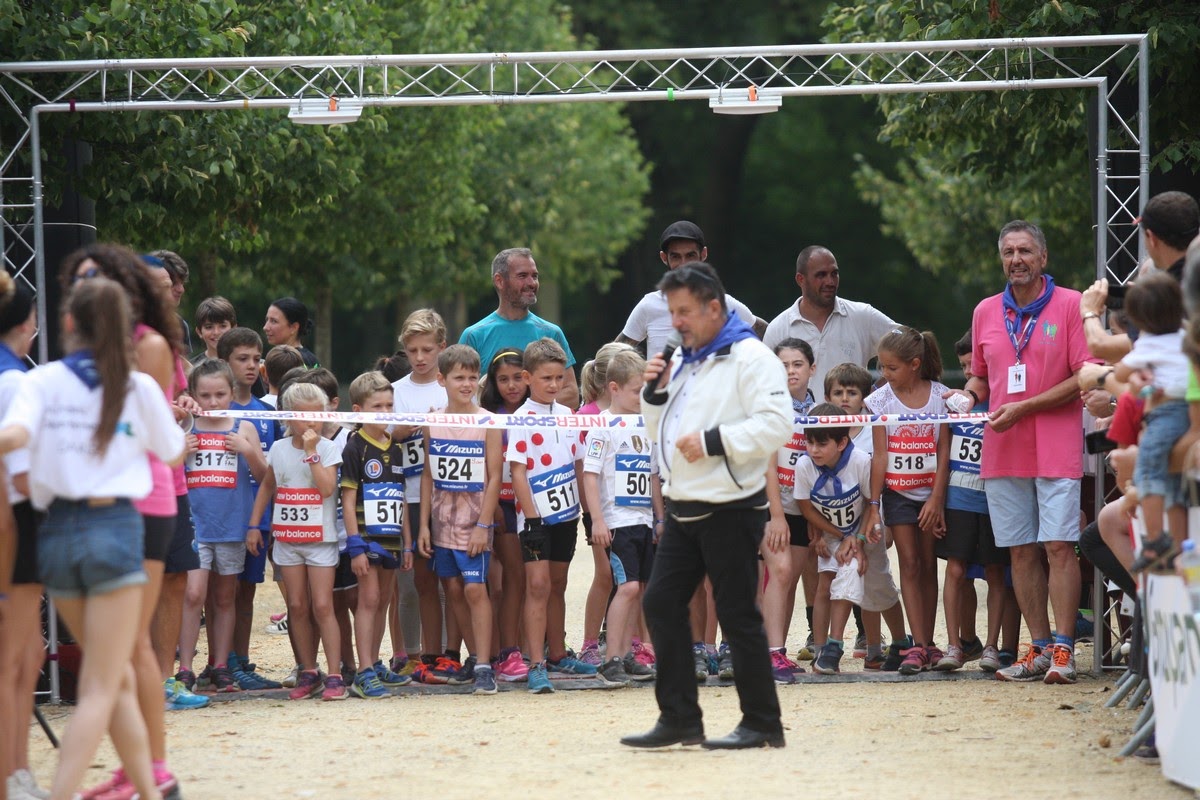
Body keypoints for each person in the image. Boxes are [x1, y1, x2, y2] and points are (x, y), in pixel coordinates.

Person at [0, 277, 185, 800]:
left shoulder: (41, 380)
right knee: (104, 683)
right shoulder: (137, 386)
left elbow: (16, 435)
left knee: (114, 678)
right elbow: (172, 452)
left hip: (56, 533)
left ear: (66, 323)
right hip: (114, 530)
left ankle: (151, 790)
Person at [622, 261, 791, 750]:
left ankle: (762, 723)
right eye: (671, 311)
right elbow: (659, 430)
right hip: (683, 504)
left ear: (714, 308)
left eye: (684, 311)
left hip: (731, 506)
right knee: (660, 602)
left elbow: (777, 424)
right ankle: (680, 719)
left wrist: (715, 441)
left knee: (736, 613)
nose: (674, 321)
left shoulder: (752, 357)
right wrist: (653, 394)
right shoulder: (684, 357)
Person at [61, 244, 204, 800]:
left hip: (143, 498)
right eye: (79, 277)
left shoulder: (147, 344)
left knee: (133, 648)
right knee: (123, 649)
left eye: (94, 276)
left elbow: (149, 428)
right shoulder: (99, 343)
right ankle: (140, 770)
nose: (85, 285)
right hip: (114, 499)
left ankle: (153, 768)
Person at [946, 220, 1093, 685]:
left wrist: (1025, 406)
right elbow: (981, 375)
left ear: (1043, 258)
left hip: (1055, 446)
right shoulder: (985, 310)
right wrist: (968, 396)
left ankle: (1065, 649)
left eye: (1025, 251)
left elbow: (1084, 376)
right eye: (1008, 252)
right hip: (1003, 447)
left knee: (1059, 546)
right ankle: (1040, 648)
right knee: (1020, 552)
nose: (1016, 259)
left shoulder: (1071, 304)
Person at [507, 338, 597, 694]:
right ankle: (536, 662)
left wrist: (588, 513)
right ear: (528, 378)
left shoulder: (568, 416)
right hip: (535, 519)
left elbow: (579, 465)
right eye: (546, 378)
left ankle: (558, 653)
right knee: (538, 586)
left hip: (566, 515)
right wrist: (531, 519)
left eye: (559, 378)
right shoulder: (521, 419)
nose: (554, 385)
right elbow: (517, 471)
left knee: (558, 584)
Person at [246, 382, 346, 701]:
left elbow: (327, 489)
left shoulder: (328, 448)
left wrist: (312, 452)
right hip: (288, 539)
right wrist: (254, 525)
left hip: (320, 539)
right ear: (288, 416)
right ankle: (308, 670)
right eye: (303, 415)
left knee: (322, 605)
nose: (310, 422)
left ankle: (335, 674)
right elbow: (267, 486)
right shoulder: (278, 449)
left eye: (316, 415)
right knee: (297, 605)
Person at [176, 359, 266, 693]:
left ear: (231, 393)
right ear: (193, 394)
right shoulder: (185, 426)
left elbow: (264, 477)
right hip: (195, 525)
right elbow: (165, 469)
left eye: (220, 395)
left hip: (231, 525)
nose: (213, 402)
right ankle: (185, 667)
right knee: (194, 594)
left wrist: (248, 451)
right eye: (205, 395)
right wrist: (179, 451)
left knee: (226, 597)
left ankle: (221, 665)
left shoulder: (244, 427)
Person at [418, 345, 504, 695]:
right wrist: (423, 525)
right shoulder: (432, 421)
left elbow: (494, 477)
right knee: (452, 589)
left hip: (474, 524)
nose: (467, 384)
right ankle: (474, 657)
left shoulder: (488, 422)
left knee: (474, 588)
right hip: (441, 524)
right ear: (442, 380)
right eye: (459, 378)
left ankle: (484, 664)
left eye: (472, 377)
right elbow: (428, 475)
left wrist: (484, 525)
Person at [865, 327, 950, 675]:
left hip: (930, 494)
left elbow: (944, 451)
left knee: (929, 565)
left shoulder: (940, 396)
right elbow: (880, 455)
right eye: (882, 367)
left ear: (914, 364)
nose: (885, 374)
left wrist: (937, 499)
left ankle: (929, 643)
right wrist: (874, 505)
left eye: (892, 367)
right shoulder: (879, 401)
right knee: (910, 564)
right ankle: (917, 644)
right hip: (897, 494)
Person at [581, 349, 663, 684]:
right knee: (626, 587)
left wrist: (659, 518)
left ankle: (627, 654)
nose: (642, 397)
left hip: (643, 520)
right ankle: (611, 659)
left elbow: (653, 475)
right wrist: (597, 520)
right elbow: (589, 475)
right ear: (614, 388)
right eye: (636, 391)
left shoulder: (646, 424)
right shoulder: (602, 427)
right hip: (617, 521)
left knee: (638, 587)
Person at [0, 273, 52, 800]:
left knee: (26, 653)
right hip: (13, 525)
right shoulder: (16, 383)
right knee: (17, 657)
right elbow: (20, 477)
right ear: (26, 324)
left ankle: (17, 771)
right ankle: (12, 774)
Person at [822, 363, 908, 670]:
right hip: (835, 522)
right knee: (846, 579)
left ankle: (898, 642)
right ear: (828, 396)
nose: (845, 398)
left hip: (871, 520)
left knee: (878, 584)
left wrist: (885, 522)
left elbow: (884, 478)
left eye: (852, 392)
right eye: (838, 392)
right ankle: (850, 646)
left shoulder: (874, 430)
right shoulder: (822, 432)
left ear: (865, 396)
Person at [936, 330, 1013, 672]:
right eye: (964, 365)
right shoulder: (955, 404)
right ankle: (954, 645)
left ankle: (992, 647)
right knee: (955, 569)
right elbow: (943, 453)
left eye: (974, 365)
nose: (969, 371)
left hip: (995, 499)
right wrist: (939, 501)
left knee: (996, 572)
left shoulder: (1005, 400)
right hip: (959, 499)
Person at [390, 309, 457, 679]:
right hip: (409, 495)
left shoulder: (452, 386)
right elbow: (381, 435)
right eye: (412, 350)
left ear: (441, 347)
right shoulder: (397, 392)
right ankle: (411, 653)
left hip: (450, 495)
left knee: (450, 581)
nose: (419, 357)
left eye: (427, 350)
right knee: (412, 582)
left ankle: (447, 652)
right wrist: (402, 430)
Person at [216, 327, 284, 690]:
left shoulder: (266, 412)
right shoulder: (214, 408)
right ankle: (220, 663)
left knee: (247, 592)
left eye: (257, 359)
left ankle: (241, 662)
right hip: (223, 514)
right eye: (242, 359)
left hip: (258, 516)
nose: (251, 366)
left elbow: (273, 471)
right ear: (224, 362)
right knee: (220, 593)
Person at [340, 370, 413, 699]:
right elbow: (348, 498)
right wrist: (355, 545)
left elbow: (400, 495)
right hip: (367, 539)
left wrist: (407, 543)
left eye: (389, 406)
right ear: (358, 410)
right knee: (368, 600)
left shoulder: (394, 446)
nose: (385, 413)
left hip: (391, 539)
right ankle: (364, 670)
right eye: (377, 407)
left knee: (383, 600)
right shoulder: (355, 447)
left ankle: (374, 662)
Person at [793, 403, 879, 675]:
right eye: (809, 442)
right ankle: (822, 651)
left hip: (863, 528)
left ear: (842, 442)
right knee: (825, 584)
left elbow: (870, 504)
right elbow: (807, 508)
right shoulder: (805, 465)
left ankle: (839, 645)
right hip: (832, 532)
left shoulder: (860, 461)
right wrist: (835, 535)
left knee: (866, 579)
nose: (813, 450)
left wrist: (858, 540)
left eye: (821, 444)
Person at [1115, 272, 1190, 555]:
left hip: (1165, 414)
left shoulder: (1149, 344)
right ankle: (1180, 545)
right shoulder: (1185, 337)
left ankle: (1155, 538)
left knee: (1147, 472)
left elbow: (1121, 372)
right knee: (1174, 486)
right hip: (1187, 411)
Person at [575, 341, 640, 668]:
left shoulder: (637, 415)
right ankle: (592, 643)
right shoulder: (590, 417)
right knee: (607, 576)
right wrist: (592, 516)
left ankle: (630, 645)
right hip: (603, 511)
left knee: (633, 581)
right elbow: (583, 468)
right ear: (612, 382)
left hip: (636, 512)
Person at [762, 245, 896, 402]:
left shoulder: (862, 316)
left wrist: (875, 395)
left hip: (855, 419)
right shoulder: (778, 329)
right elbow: (764, 386)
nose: (830, 281)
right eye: (821, 275)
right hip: (798, 419)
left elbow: (912, 346)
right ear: (800, 279)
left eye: (834, 274)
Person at [617, 220, 765, 357]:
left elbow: (768, 335)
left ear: (703, 254)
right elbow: (614, 355)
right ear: (664, 258)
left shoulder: (723, 303)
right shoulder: (649, 305)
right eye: (675, 257)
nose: (684, 265)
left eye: (690, 256)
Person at [460, 247, 580, 409]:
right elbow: (458, 393)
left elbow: (571, 395)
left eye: (534, 276)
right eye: (522, 276)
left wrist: (525, 411)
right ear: (499, 281)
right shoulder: (474, 335)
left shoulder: (552, 333)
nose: (531, 283)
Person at [762, 338, 816, 684]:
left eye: (798, 364)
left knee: (789, 579)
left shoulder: (819, 409)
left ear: (812, 368)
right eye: (783, 365)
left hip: (802, 507)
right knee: (777, 574)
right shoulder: (770, 406)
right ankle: (765, 653)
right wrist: (777, 514)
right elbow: (767, 463)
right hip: (771, 505)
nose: (791, 371)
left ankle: (777, 651)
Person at [478, 349, 529, 681]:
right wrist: (493, 504)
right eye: (503, 379)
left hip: (532, 505)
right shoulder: (490, 417)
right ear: (493, 383)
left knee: (528, 580)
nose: (512, 386)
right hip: (502, 505)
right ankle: (507, 651)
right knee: (512, 577)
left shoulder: (535, 413)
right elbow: (487, 467)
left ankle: (521, 647)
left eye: (517, 378)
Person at [263, 297, 319, 368]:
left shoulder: (292, 362)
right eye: (267, 320)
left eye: (274, 321)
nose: (265, 327)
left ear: (294, 327)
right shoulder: (312, 359)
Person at [190, 296, 236, 365]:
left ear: (233, 329)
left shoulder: (245, 364)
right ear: (199, 332)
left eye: (223, 326)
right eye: (209, 327)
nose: (216, 332)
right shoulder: (191, 368)